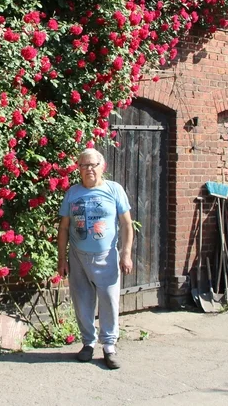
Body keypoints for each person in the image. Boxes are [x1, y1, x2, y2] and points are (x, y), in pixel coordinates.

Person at [57, 148, 134, 369]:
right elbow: (63, 228)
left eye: (93, 165)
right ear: (79, 169)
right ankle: (88, 344)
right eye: (84, 165)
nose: (89, 169)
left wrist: (126, 253)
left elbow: (127, 224)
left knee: (109, 301)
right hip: (78, 257)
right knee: (82, 301)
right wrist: (62, 259)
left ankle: (109, 347)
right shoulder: (72, 192)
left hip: (107, 256)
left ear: (102, 167)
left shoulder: (114, 190)